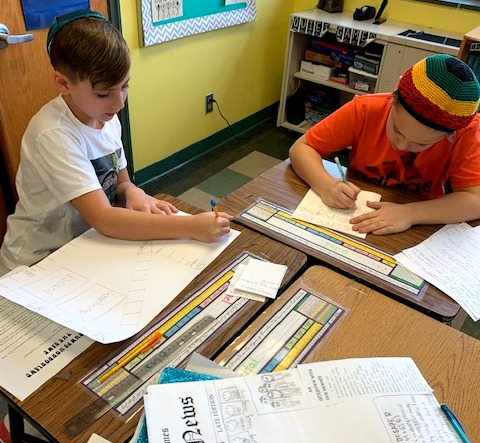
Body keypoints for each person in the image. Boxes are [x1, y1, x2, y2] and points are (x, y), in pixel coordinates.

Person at [0, 9, 233, 274]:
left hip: (86, 244)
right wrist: (192, 226)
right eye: (103, 93)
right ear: (63, 83)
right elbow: (104, 218)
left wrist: (132, 191)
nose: (119, 103)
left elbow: (120, 182)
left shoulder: (106, 116)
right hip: (36, 259)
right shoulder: (53, 133)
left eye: (124, 86)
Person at [289, 54, 480, 236]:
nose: (402, 145)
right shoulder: (365, 110)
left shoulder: (465, 133)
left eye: (421, 143)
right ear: (394, 95)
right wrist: (325, 185)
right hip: (356, 210)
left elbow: (475, 200)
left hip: (420, 222)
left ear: (451, 135)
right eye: (397, 130)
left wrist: (411, 213)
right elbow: (301, 148)